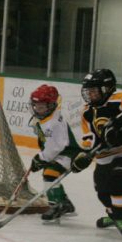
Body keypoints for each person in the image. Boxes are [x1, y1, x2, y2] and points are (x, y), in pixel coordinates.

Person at [71, 69, 122, 236]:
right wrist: (84, 155)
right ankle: (112, 214)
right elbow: (88, 137)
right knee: (102, 189)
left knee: (119, 180)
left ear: (107, 88)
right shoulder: (87, 111)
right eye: (88, 92)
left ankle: (120, 216)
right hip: (103, 156)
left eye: (94, 91)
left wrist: (115, 125)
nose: (90, 95)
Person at [27, 84, 81, 221]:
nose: (38, 109)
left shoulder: (53, 123)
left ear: (51, 106)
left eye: (42, 106)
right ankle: (65, 203)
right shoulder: (43, 118)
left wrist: (41, 158)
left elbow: (55, 147)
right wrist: (42, 158)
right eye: (36, 105)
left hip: (68, 153)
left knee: (49, 174)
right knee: (51, 174)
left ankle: (56, 205)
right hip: (59, 152)